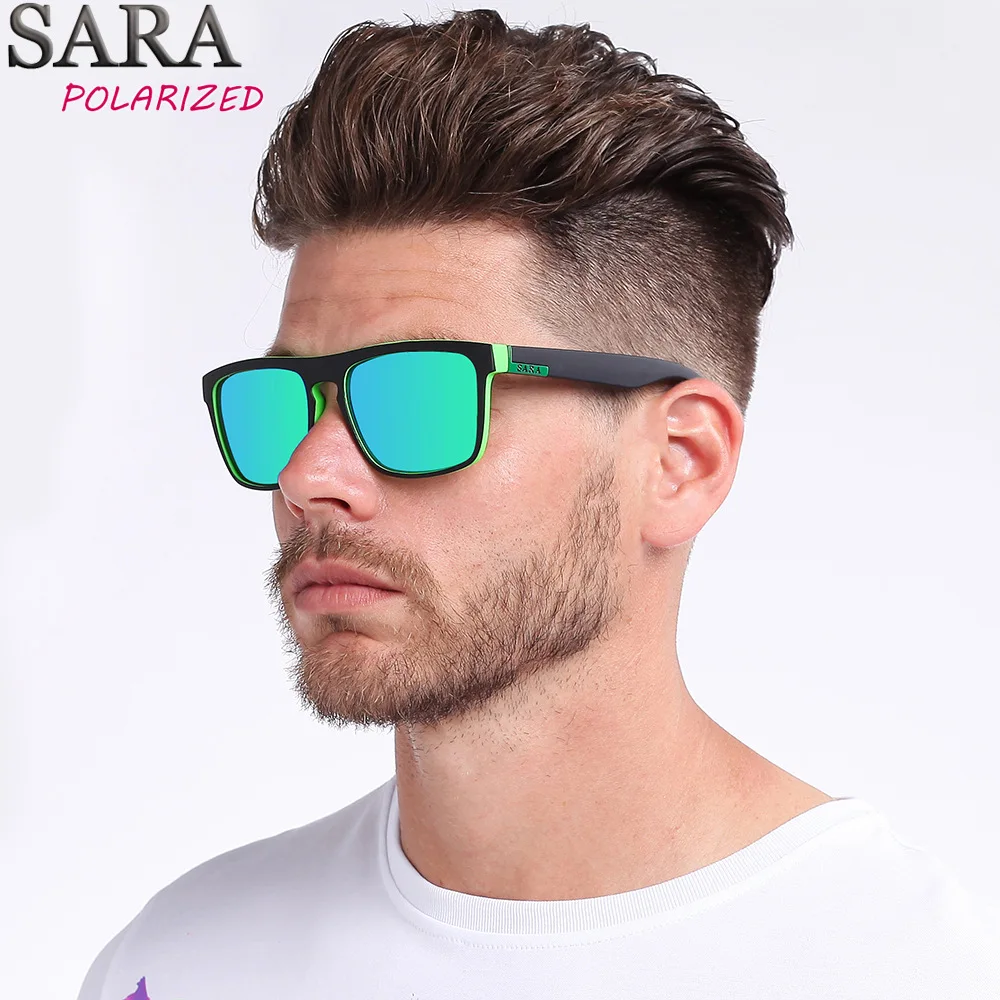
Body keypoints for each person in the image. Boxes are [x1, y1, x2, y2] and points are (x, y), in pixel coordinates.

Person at [77, 9, 999, 999]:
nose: (308, 475)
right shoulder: (176, 962)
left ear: (679, 462)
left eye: (420, 398)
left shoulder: (907, 970)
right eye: (285, 402)